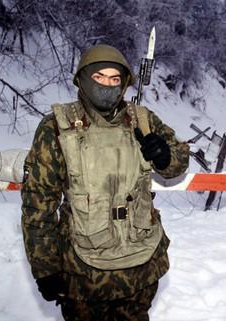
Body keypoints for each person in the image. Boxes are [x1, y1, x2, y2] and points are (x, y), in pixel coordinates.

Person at [21, 44, 189, 320]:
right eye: (100, 77)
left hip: (140, 265)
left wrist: (165, 155)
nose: (107, 85)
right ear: (83, 79)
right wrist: (45, 267)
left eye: (115, 79)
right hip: (83, 275)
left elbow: (178, 161)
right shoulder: (56, 127)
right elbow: (39, 203)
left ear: (124, 85)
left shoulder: (142, 119)